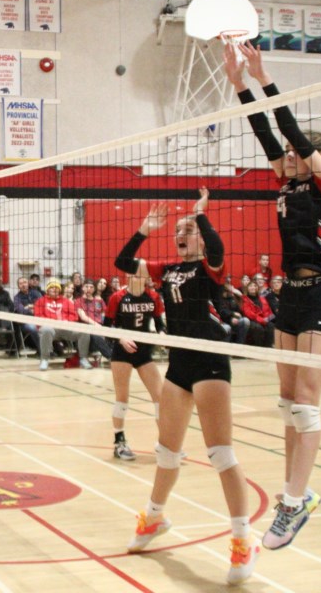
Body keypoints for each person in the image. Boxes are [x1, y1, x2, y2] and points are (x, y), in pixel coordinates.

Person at [227, 41, 321, 551]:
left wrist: (265, 75)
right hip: (289, 298)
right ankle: (294, 494)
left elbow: (288, 130)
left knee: (306, 401)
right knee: (286, 403)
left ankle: (294, 502)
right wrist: (238, 83)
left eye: (299, 154)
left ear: (315, 157)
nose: (289, 157)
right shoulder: (287, 182)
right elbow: (265, 131)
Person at [116, 188, 258, 584]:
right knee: (166, 452)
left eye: (188, 229)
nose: (182, 232)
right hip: (178, 365)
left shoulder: (210, 267)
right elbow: (123, 261)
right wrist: (144, 230)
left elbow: (216, 248)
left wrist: (202, 215)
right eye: (178, 229)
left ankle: (244, 541)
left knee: (220, 455)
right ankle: (154, 519)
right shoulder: (166, 269)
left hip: (210, 362)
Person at [102, 273, 164, 460]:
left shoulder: (153, 297)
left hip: (144, 351)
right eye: (133, 274)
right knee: (122, 398)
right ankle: (119, 442)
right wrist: (120, 337)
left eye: (140, 275)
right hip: (122, 352)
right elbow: (106, 328)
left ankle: (165, 442)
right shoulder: (117, 297)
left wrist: (162, 335)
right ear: (128, 277)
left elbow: (160, 325)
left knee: (160, 397)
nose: (136, 277)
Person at [34, 279, 92, 372]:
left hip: (65, 328)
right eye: (52, 287)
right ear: (47, 289)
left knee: (84, 331)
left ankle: (83, 358)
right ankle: (44, 359)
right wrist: (52, 322)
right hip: (50, 328)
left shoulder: (66, 301)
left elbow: (74, 316)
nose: (54, 289)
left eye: (56, 287)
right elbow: (39, 317)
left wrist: (66, 321)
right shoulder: (40, 301)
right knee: (46, 330)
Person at [75, 281, 113, 363]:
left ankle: (122, 356)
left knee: (116, 331)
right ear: (83, 288)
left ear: (94, 289)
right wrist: (97, 325)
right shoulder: (78, 301)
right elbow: (83, 317)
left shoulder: (99, 301)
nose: (89, 289)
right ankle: (111, 357)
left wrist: (105, 326)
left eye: (91, 287)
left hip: (100, 325)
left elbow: (105, 314)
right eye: (87, 286)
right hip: (87, 327)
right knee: (96, 334)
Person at [242, 280, 275, 347]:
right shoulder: (244, 299)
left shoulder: (262, 298)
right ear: (247, 288)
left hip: (264, 319)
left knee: (271, 326)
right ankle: (260, 348)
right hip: (252, 320)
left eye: (255, 286)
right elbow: (249, 313)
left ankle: (268, 348)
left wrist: (267, 319)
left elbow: (268, 310)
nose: (253, 287)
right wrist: (262, 320)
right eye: (251, 286)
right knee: (258, 328)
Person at [13, 276, 40, 350]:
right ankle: (42, 350)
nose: (23, 285)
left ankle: (52, 349)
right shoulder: (17, 298)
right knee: (33, 328)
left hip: (39, 319)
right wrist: (32, 309)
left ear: (28, 284)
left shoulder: (36, 293)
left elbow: (42, 306)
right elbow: (21, 311)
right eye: (21, 283)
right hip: (25, 322)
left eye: (25, 282)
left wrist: (29, 306)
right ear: (18, 286)